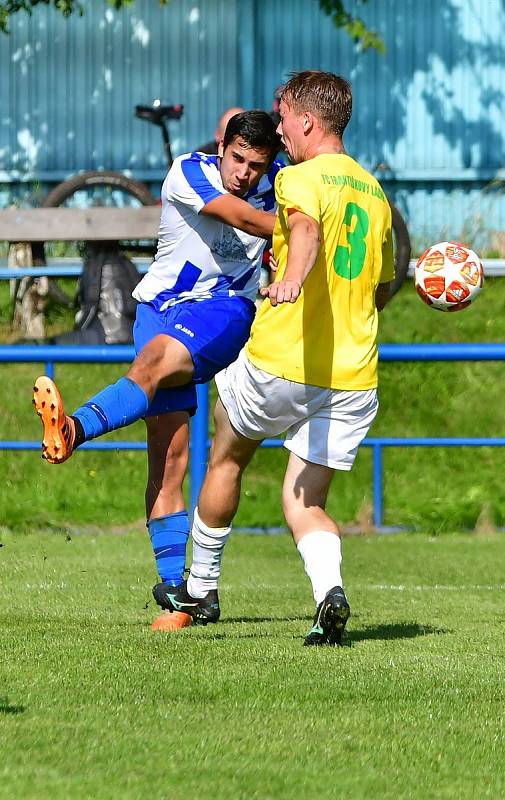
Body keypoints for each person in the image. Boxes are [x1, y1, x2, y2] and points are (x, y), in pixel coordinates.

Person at [153, 71, 395, 646]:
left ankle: (201, 587)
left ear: (307, 121)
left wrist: (290, 278)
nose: (279, 129)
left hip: (282, 361)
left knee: (228, 455)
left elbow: (305, 231)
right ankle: (328, 595)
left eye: (283, 117)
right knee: (303, 498)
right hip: (354, 374)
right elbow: (382, 285)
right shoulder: (373, 191)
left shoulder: (300, 179)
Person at [33, 110, 282, 632]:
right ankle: (178, 601)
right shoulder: (188, 171)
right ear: (222, 146)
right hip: (157, 309)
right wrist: (299, 226)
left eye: (256, 166)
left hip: (222, 311)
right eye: (237, 159)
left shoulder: (282, 186)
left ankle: (73, 428)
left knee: (150, 366)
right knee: (167, 463)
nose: (244, 173)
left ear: (269, 161)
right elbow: (238, 216)